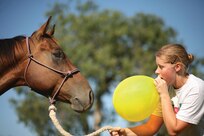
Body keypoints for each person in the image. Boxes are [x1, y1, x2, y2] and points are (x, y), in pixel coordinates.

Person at [109, 44, 204, 136]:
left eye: (161, 67)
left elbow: (174, 130)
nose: (156, 71)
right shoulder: (165, 88)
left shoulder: (196, 89)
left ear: (177, 67)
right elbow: (151, 127)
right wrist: (125, 132)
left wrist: (164, 95)